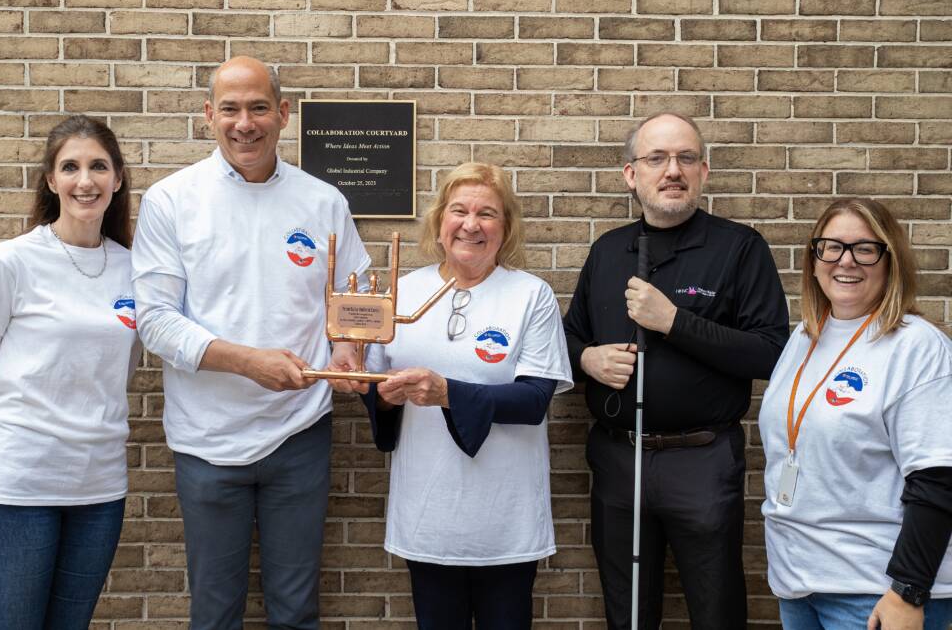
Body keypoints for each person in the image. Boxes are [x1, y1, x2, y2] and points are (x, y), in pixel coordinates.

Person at [131, 56, 370, 629]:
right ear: (208, 115)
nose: (246, 123)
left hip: (299, 434)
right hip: (207, 441)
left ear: (283, 114)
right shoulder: (171, 200)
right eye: (231, 109)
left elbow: (355, 302)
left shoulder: (324, 201)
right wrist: (246, 362)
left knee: (296, 610)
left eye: (259, 107)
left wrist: (347, 350)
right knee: (214, 613)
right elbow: (155, 321)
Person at [562, 112, 790, 630]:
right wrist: (587, 359)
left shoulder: (739, 248)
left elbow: (771, 352)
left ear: (704, 172)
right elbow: (569, 335)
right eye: (657, 158)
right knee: (628, 610)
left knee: (715, 607)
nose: (672, 170)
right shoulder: (607, 250)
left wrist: (673, 322)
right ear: (631, 174)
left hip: (703, 461)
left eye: (686, 158)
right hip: (619, 459)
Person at [339, 162, 572, 629]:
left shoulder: (531, 295)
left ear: (505, 228)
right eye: (459, 210)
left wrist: (446, 392)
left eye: (487, 213)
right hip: (429, 513)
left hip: (505, 516)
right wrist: (370, 386)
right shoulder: (403, 291)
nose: (471, 224)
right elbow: (380, 394)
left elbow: (533, 401)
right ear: (439, 221)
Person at [0, 115, 139, 629]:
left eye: (98, 166)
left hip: (99, 491)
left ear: (117, 178)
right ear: (51, 180)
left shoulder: (133, 268)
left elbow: (123, 368)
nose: (85, 180)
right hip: (19, 488)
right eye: (70, 167)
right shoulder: (12, 261)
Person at [760, 198, 952, 630]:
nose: (845, 261)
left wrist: (908, 591)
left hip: (874, 593)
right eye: (831, 247)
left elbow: (938, 480)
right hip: (799, 584)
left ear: (891, 260)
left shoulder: (917, 347)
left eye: (865, 249)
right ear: (813, 261)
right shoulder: (806, 336)